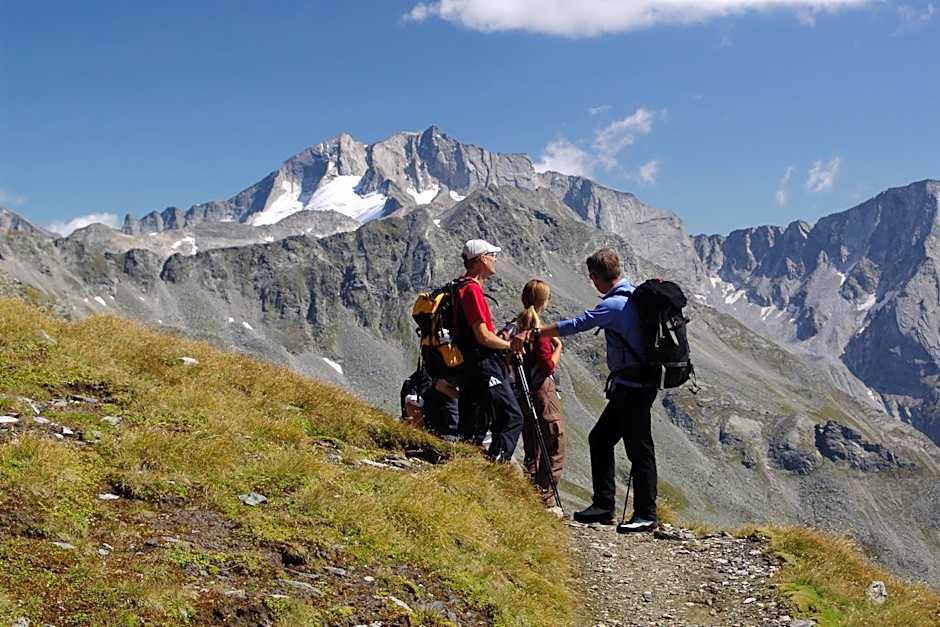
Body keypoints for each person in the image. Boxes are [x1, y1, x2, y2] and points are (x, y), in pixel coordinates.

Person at [512, 248, 659, 532]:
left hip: (633, 388)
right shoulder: (634, 297)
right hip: (633, 385)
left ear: (595, 278)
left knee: (639, 449)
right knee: (601, 439)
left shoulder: (614, 306)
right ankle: (604, 506)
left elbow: (577, 324)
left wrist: (535, 333)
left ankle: (645, 514)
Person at [453, 239, 524, 461]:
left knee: (475, 422)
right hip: (483, 364)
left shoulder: (460, 287)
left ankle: (466, 469)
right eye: (492, 255)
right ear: (482, 259)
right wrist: (510, 346)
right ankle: (497, 468)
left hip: (469, 366)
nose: (495, 260)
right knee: (511, 417)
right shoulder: (472, 290)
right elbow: (482, 336)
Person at [512, 279, 566, 506]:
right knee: (555, 441)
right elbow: (548, 366)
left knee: (532, 444)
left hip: (523, 394)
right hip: (543, 391)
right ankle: (544, 495)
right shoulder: (538, 331)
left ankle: (529, 489)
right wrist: (559, 348)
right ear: (544, 301)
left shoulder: (516, 327)